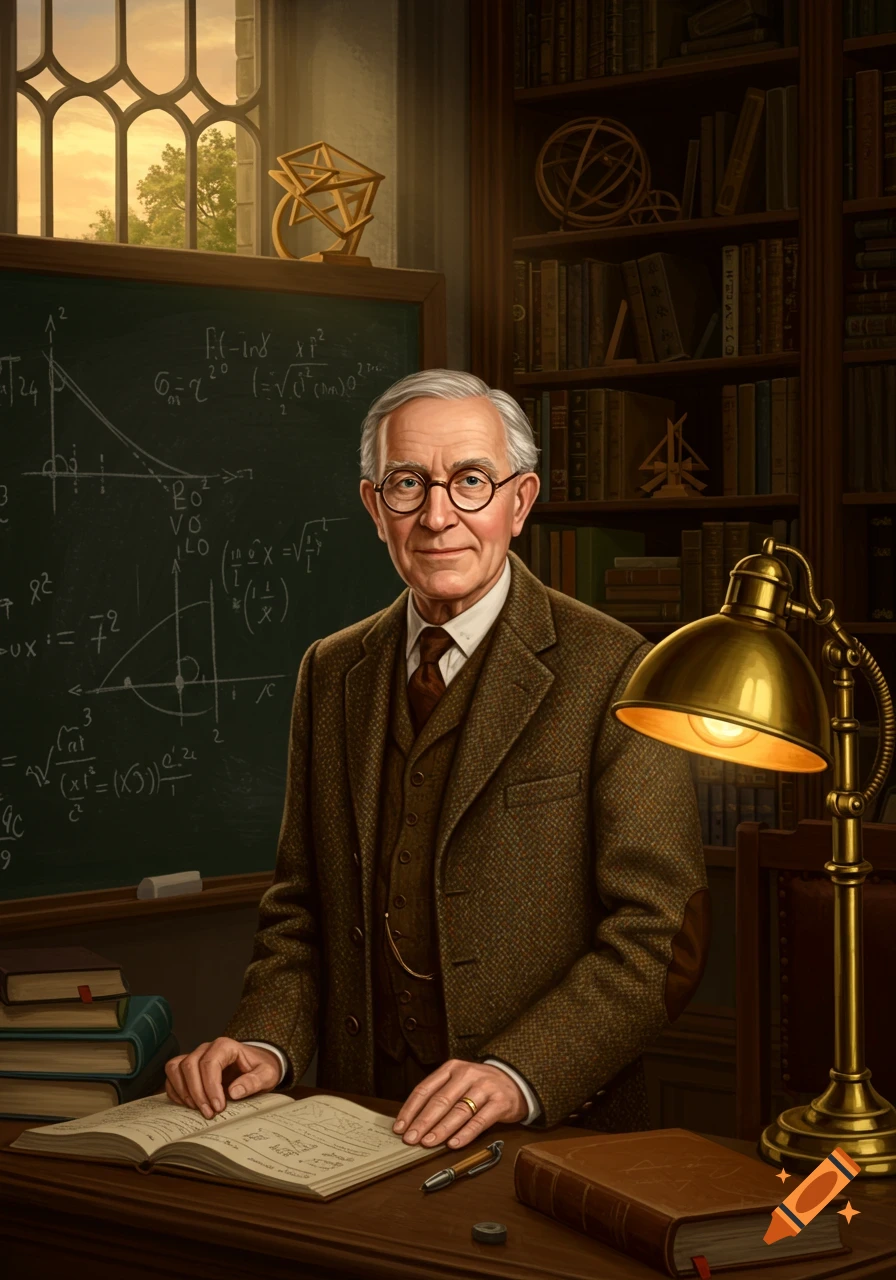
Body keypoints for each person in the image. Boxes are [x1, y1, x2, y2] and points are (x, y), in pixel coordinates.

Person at [164, 369, 710, 1153]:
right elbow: (299, 911)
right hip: (354, 1122)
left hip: (549, 1135)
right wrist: (266, 1043)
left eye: (471, 481)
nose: (437, 515)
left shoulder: (618, 669)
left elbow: (662, 937)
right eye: (407, 484)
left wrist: (518, 1073)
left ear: (519, 504)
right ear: (372, 508)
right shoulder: (330, 670)